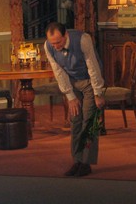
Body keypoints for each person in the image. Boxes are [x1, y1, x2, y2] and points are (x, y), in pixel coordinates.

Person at [44, 22, 105, 178]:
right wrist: (70, 96)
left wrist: (98, 93)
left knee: (88, 121)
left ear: (66, 35)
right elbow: (58, 71)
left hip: (89, 82)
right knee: (76, 120)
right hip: (72, 83)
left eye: (58, 42)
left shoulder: (83, 40)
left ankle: (86, 163)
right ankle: (77, 161)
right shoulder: (48, 46)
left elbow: (93, 66)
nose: (56, 46)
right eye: (53, 43)